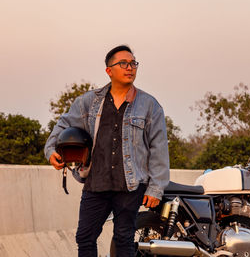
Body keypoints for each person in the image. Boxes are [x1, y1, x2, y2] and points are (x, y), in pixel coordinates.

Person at [44, 45, 170, 257]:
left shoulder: (149, 105)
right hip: (96, 182)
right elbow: (64, 123)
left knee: (123, 238)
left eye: (133, 63)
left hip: (130, 185)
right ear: (109, 71)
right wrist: (50, 150)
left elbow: (159, 148)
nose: (129, 68)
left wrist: (156, 188)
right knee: (84, 237)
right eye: (123, 64)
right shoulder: (90, 101)